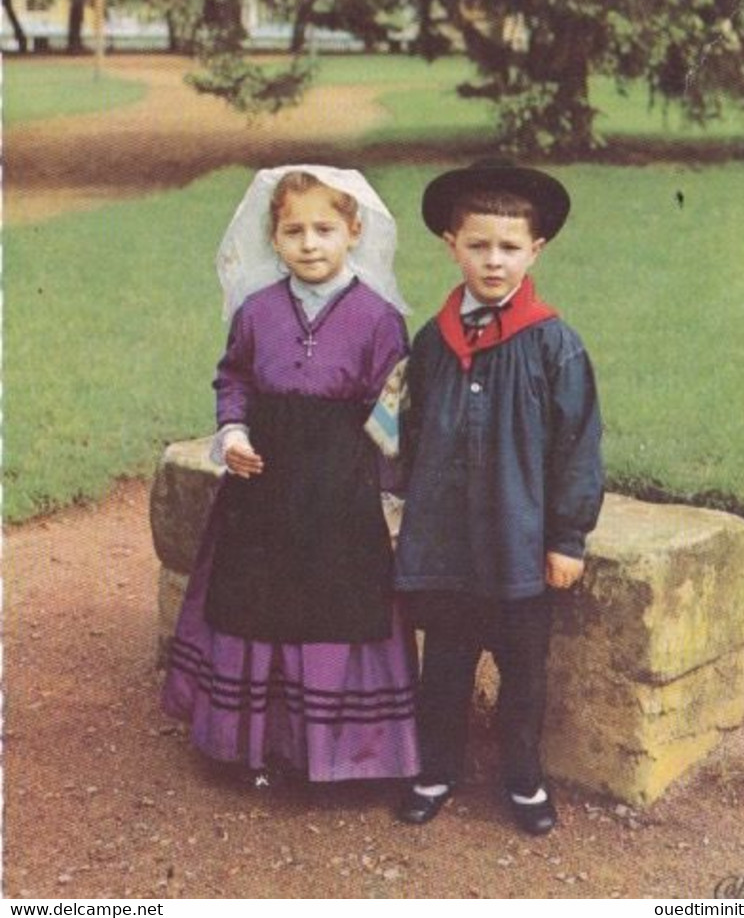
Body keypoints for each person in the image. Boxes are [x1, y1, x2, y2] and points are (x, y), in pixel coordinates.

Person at [162, 165, 420, 784]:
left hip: (338, 494)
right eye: (294, 230)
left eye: (325, 228)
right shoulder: (255, 312)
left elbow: (392, 406)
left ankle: (340, 756)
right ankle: (254, 748)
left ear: (354, 231)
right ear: (273, 239)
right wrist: (234, 434)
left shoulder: (379, 318)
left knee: (337, 606)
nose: (310, 243)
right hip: (263, 487)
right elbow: (235, 379)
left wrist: (388, 486)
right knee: (258, 602)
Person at [394, 159, 603, 834]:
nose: (493, 261)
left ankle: (524, 782)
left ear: (534, 250)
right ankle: (435, 770)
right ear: (451, 245)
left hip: (519, 547)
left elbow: (577, 446)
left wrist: (566, 538)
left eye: (509, 247)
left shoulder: (553, 345)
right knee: (445, 668)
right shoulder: (432, 343)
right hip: (449, 545)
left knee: (524, 674)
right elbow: (407, 427)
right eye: (477, 245)